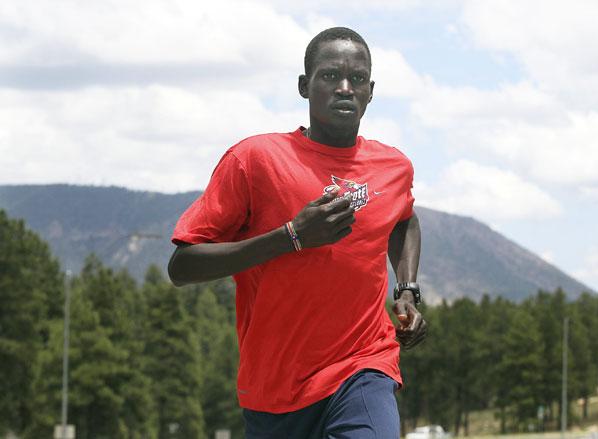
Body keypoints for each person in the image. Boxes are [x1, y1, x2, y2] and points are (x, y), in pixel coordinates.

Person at [168, 26, 427, 439]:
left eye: (357, 79)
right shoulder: (255, 160)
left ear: (371, 91)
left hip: (363, 364)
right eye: (329, 76)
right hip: (275, 389)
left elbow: (403, 219)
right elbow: (182, 266)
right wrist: (291, 236)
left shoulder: (393, 168)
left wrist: (408, 289)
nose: (345, 88)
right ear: (305, 86)